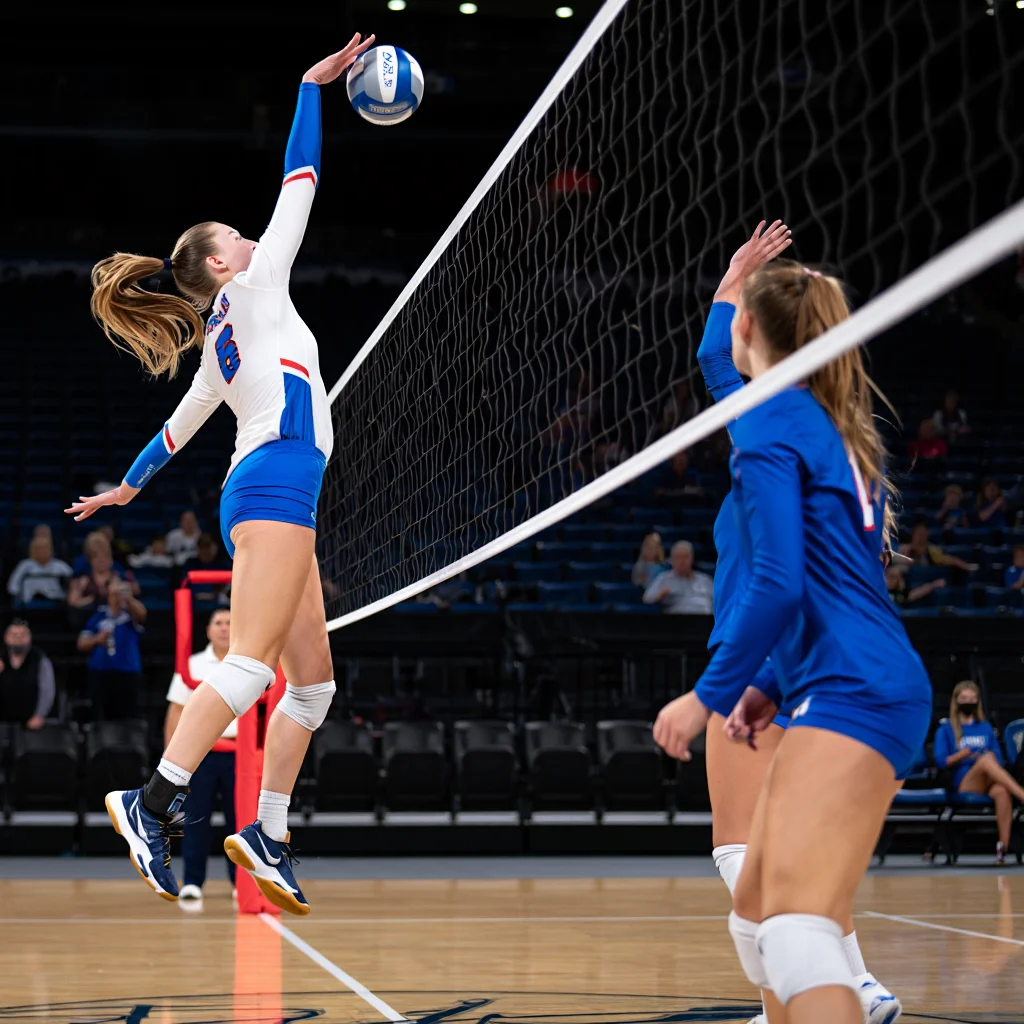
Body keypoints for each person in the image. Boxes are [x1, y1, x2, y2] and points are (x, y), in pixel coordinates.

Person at [66, 32, 375, 914]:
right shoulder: (260, 277)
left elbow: (174, 431)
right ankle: (150, 800)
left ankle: (267, 834)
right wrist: (312, 90)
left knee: (312, 684)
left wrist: (127, 488)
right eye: (235, 237)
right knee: (249, 667)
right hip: (277, 480)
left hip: (275, 483)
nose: (250, 236)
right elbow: (301, 181)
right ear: (219, 262)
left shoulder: (218, 347)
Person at [653, 257, 929, 1024]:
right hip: (841, 680)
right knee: (759, 921)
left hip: (853, 687)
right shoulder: (821, 421)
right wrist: (767, 688)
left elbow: (779, 584)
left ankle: (854, 985)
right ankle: (835, 984)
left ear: (747, 327)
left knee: (797, 930)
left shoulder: (774, 421)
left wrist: (704, 697)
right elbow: (817, 578)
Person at [165, 608, 237, 907]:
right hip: (201, 754)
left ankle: (242, 883)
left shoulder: (249, 666)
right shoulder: (192, 665)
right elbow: (176, 711)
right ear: (208, 630)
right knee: (196, 820)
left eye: (230, 623)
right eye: (218, 622)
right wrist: (172, 764)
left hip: (239, 754)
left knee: (241, 821)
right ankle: (193, 881)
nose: (224, 628)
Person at [933, 681, 1024, 865]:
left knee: (1001, 790)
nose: (969, 701)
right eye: (965, 698)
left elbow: (998, 758)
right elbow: (941, 761)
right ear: (956, 701)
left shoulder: (985, 727)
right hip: (964, 782)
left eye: (973, 698)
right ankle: (1021, 794)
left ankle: (1002, 848)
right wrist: (963, 755)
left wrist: (989, 756)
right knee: (984, 761)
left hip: (989, 779)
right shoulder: (946, 729)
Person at [77, 580, 147, 720]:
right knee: (100, 714)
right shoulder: (99, 615)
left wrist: (128, 598)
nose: (118, 598)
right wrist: (98, 639)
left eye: (121, 594)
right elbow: (81, 643)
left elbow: (142, 614)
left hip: (127, 671)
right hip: (100, 671)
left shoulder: (131, 615)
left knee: (126, 716)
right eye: (115, 594)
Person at [0, 620, 56, 728]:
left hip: (30, 722)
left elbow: (47, 691)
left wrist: (39, 715)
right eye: (14, 634)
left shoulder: (40, 660)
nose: (18, 637)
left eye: (23, 634)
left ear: (30, 638)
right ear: (6, 638)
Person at [68, 531, 138, 610]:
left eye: (105, 556)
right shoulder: (82, 579)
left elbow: (135, 590)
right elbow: (73, 601)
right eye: (96, 557)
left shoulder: (120, 576)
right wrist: (90, 601)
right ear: (90, 559)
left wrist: (122, 590)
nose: (102, 560)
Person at [642, 541, 714, 614]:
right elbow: (647, 599)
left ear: (691, 559)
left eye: (685, 557)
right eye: (677, 557)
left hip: (707, 619)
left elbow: (718, 601)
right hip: (678, 621)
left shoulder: (704, 579)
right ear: (672, 560)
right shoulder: (664, 578)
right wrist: (660, 595)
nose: (682, 561)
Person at [6, 534, 72, 605]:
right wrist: (20, 597)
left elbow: (74, 583)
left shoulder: (60, 566)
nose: (41, 551)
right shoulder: (24, 565)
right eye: (38, 549)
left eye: (44, 548)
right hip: (28, 603)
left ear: (51, 550)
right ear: (32, 550)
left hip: (55, 603)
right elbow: (12, 587)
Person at [900, 521, 976, 574]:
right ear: (913, 536)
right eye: (919, 534)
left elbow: (951, 560)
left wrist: (966, 567)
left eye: (924, 534)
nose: (922, 537)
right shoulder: (903, 550)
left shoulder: (933, 551)